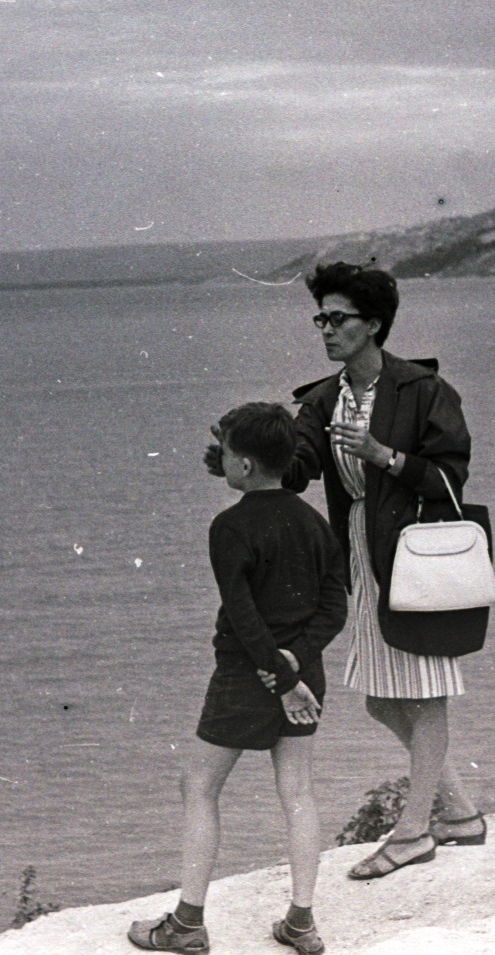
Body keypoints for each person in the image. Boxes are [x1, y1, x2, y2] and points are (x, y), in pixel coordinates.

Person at [279, 261, 488, 880]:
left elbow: (452, 476)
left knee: (423, 690)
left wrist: (385, 456)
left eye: (337, 318)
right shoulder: (321, 399)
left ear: (373, 324)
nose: (325, 329)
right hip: (363, 556)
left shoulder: (423, 390)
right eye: (321, 317)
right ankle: (459, 813)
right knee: (381, 698)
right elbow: (296, 471)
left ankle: (415, 830)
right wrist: (244, 458)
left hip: (415, 556)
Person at [130, 402, 348, 955]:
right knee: (297, 791)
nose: (220, 459)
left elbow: (245, 616)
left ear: (245, 466)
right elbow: (334, 607)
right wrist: (297, 665)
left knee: (199, 786)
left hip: (247, 676)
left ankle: (187, 924)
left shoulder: (229, 527)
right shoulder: (313, 521)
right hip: (305, 674)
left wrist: (277, 675)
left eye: (226, 451)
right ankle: (301, 921)